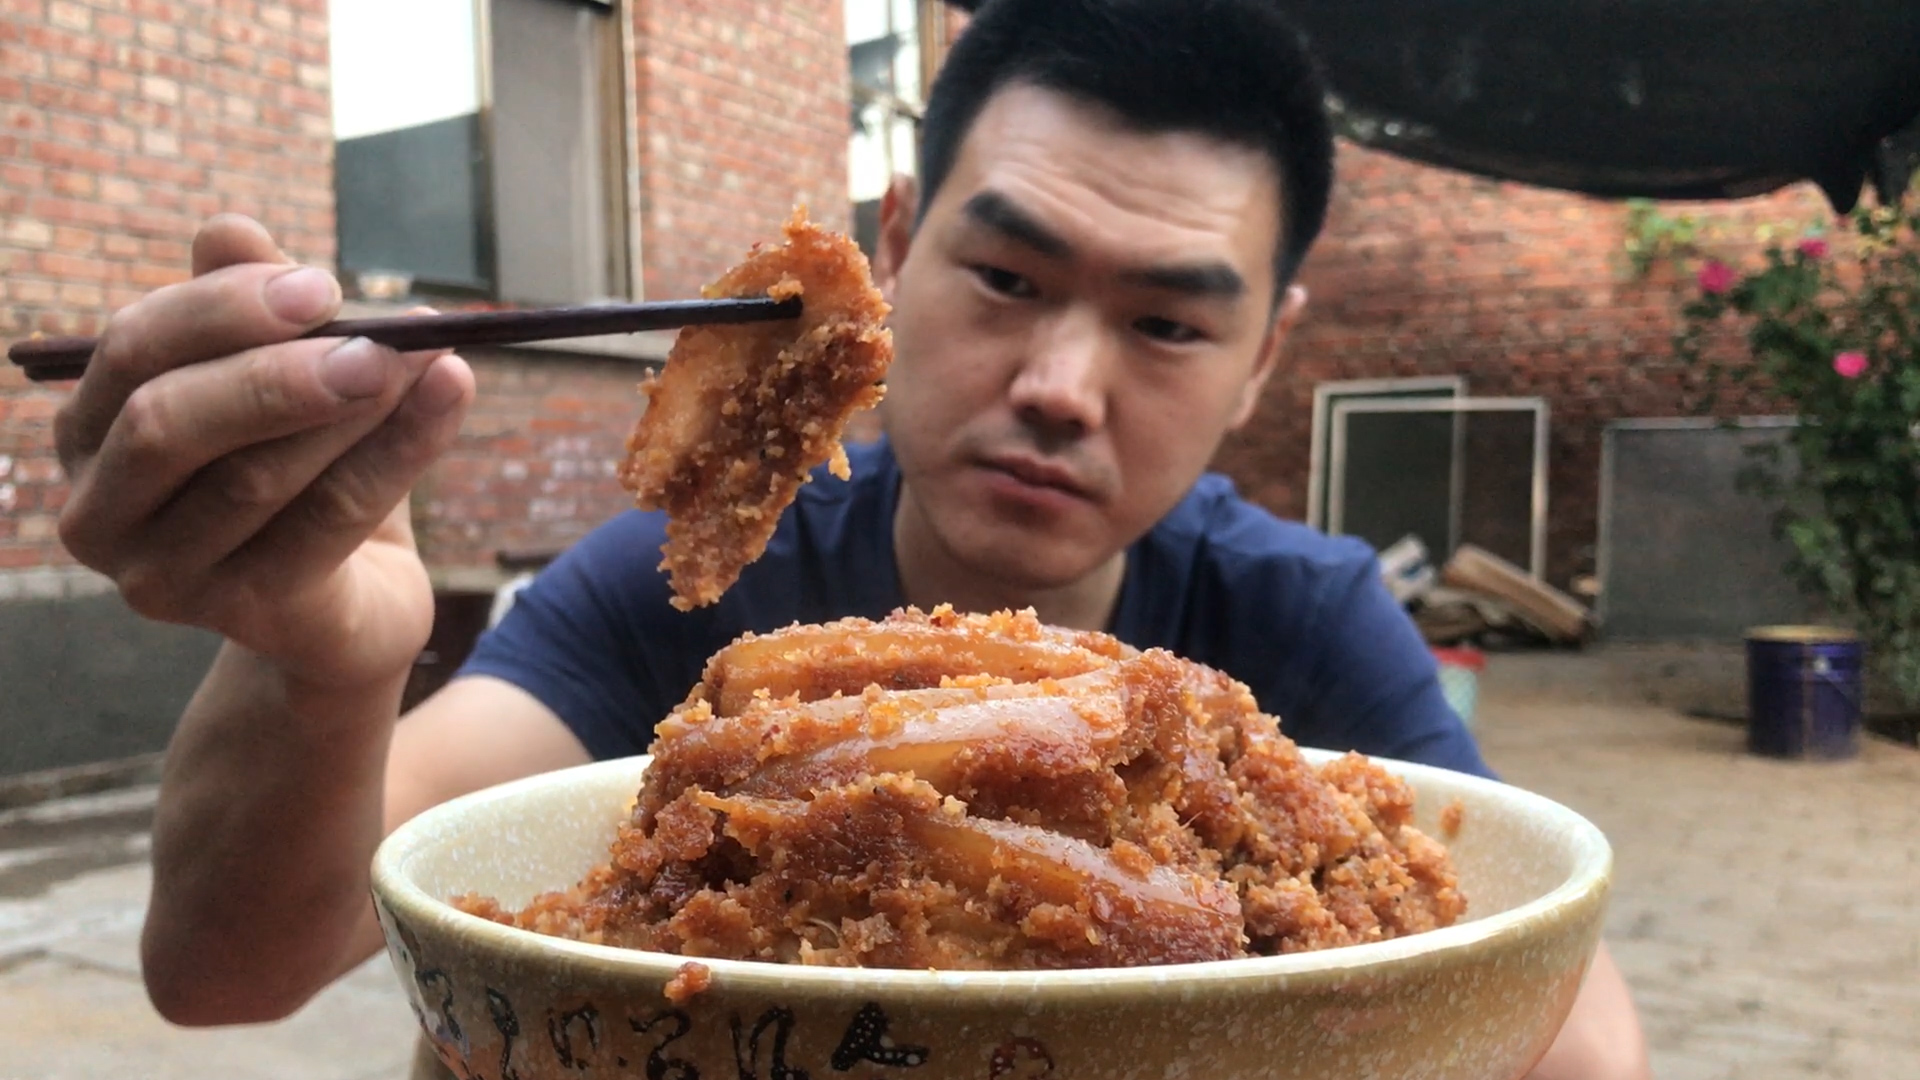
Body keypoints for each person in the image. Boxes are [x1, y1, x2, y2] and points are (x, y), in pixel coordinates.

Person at [49, 0, 1648, 1075]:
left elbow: (1570, 1035)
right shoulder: (683, 597)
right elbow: (233, 969)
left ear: (1263, 360)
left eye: (1167, 323)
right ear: (894, 246)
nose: (1060, 384)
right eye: (1007, 279)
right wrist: (324, 660)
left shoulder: (1306, 621)